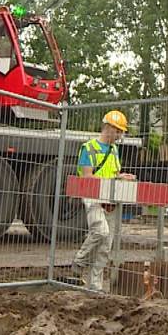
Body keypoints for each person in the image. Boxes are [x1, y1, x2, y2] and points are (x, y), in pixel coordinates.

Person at [70, 109, 135, 291]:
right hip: (94, 197)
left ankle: (95, 287)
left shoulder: (114, 150)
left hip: (111, 199)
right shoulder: (89, 148)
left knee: (105, 247)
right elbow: (87, 177)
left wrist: (122, 176)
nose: (120, 135)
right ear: (109, 128)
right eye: (119, 131)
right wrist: (115, 180)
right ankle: (79, 262)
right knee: (100, 232)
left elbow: (112, 173)